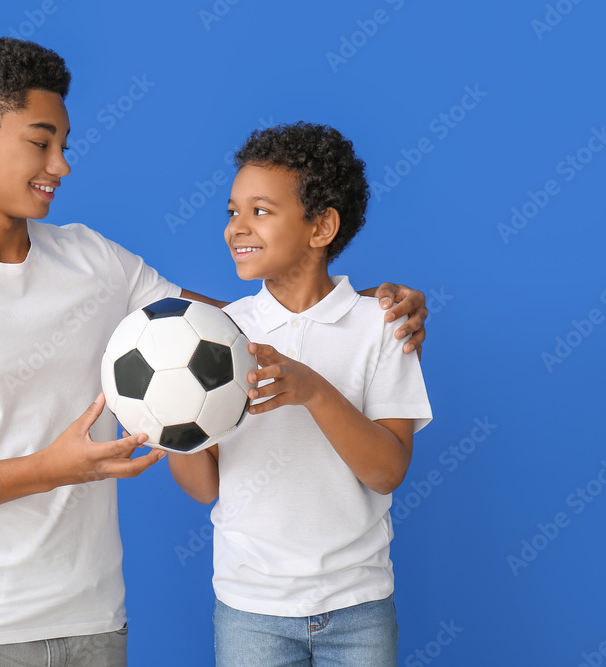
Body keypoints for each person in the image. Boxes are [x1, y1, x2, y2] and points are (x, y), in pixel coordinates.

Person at [0, 38, 428, 667]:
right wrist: (53, 466)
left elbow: (234, 326)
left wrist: (367, 302)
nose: (62, 165)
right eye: (41, 143)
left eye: (65, 144)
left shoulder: (95, 259)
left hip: (95, 622)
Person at [168, 122, 433, 666]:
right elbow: (203, 487)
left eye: (260, 211)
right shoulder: (221, 333)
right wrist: (173, 424)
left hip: (358, 604)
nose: (236, 228)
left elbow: (386, 472)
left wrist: (313, 390)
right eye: (231, 211)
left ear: (321, 227)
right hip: (251, 607)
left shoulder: (382, 325)